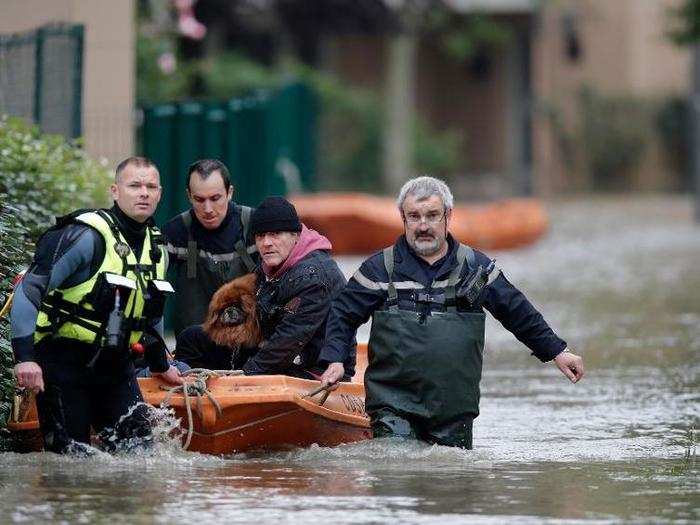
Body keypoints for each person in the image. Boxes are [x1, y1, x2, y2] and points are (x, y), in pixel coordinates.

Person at [318, 176, 584, 449]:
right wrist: (337, 360)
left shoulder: (475, 268)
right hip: (393, 405)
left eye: (432, 216)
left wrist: (557, 351)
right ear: (403, 218)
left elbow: (516, 310)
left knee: (451, 479)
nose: (423, 225)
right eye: (414, 216)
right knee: (395, 469)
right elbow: (342, 314)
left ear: (448, 216)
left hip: (453, 411)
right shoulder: (378, 270)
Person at [11, 156, 183, 454]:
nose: (143, 192)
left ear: (160, 194)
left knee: (143, 459)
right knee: (72, 463)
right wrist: (25, 358)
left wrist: (160, 364)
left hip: (116, 365)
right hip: (63, 362)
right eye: (135, 185)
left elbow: (150, 314)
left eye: (150, 186)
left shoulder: (158, 248)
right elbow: (27, 294)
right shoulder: (84, 236)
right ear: (115, 191)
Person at [175, 196, 355, 379]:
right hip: (276, 350)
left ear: (296, 235)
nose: (266, 243)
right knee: (192, 339)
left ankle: (222, 398)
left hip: (312, 367)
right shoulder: (272, 266)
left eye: (275, 234)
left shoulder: (313, 277)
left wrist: (244, 375)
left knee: (259, 362)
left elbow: (288, 342)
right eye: (260, 236)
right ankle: (191, 394)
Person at [163, 159, 257, 336]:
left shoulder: (255, 226)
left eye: (215, 198)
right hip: (194, 351)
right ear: (189, 195)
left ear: (230, 193)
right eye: (199, 199)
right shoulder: (176, 232)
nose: (207, 209)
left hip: (250, 346)